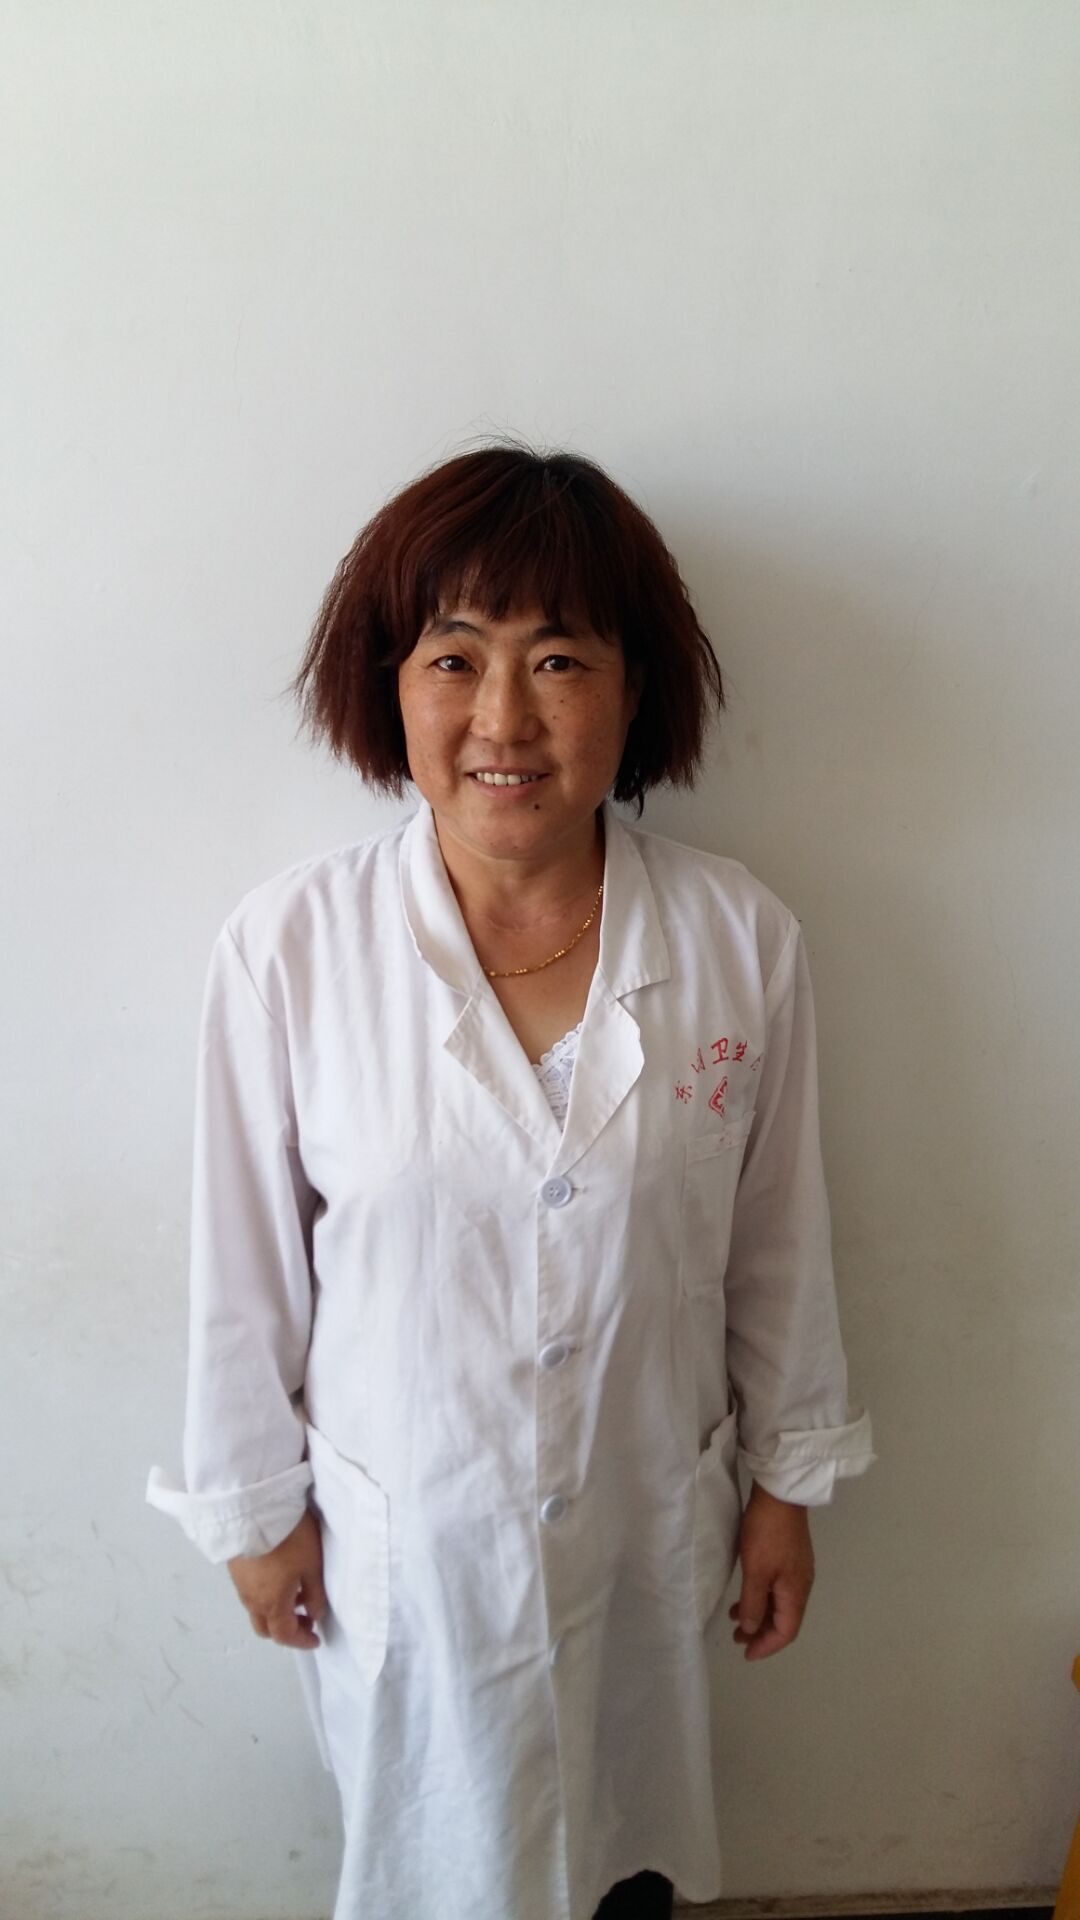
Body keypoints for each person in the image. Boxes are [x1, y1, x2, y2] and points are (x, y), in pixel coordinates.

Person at [148, 443, 874, 1920]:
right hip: (408, 1540)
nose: (503, 718)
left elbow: (777, 1244)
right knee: (435, 1854)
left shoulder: (740, 940)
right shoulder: (291, 949)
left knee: (624, 1848)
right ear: (389, 685)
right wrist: (255, 1510)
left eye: (558, 659)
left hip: (642, 1519)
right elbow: (244, 1269)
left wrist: (786, 1489)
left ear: (634, 688)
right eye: (453, 657)